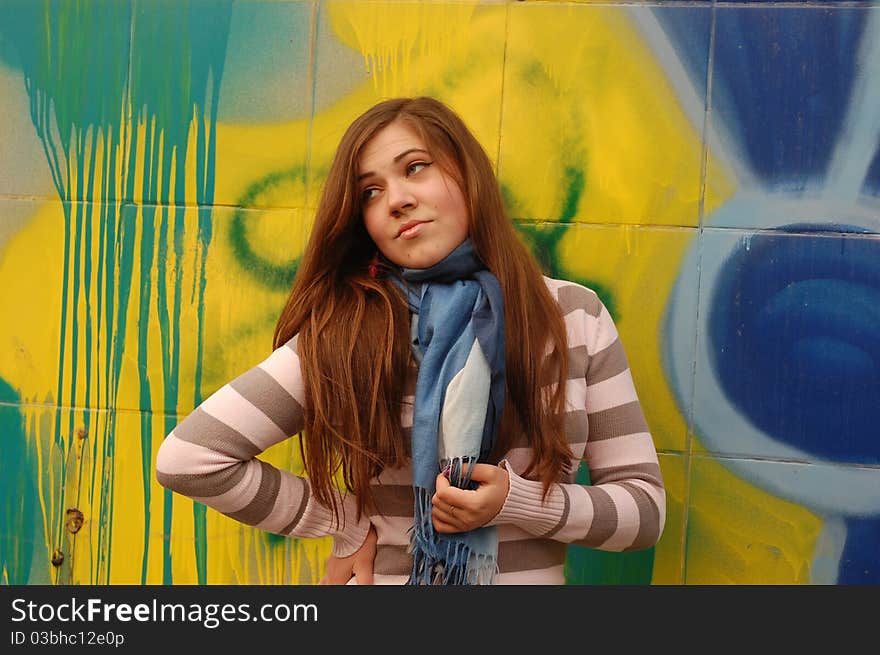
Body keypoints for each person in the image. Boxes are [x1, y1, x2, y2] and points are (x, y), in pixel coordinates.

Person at [155, 96, 666, 585]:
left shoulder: (571, 317)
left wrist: (517, 500)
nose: (397, 200)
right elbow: (192, 458)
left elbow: (645, 512)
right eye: (370, 192)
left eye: (415, 167)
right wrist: (344, 523)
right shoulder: (355, 330)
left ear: (468, 174)